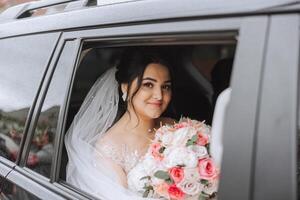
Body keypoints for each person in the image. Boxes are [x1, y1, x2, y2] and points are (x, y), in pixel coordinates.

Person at [65, 48, 175, 200]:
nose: (159, 95)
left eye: (166, 87)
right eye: (148, 85)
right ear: (125, 87)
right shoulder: (109, 149)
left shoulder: (175, 128)